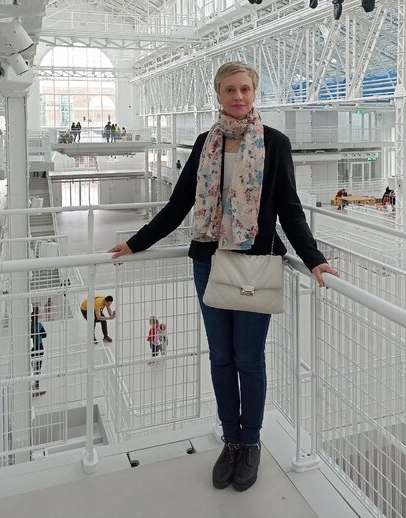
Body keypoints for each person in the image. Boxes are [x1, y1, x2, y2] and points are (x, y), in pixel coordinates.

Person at [109, 61, 338, 493]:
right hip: (209, 261)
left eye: (245, 89)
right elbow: (179, 203)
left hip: (254, 262)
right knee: (220, 357)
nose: (238, 97)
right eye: (230, 90)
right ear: (218, 94)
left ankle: (250, 443)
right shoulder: (206, 142)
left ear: (255, 93)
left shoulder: (275, 143)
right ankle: (230, 441)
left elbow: (289, 209)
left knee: (249, 359)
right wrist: (137, 242)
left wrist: (314, 259)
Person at [30, 307, 47, 396]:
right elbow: (44, 335)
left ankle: (35, 386)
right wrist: (39, 334)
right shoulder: (39, 325)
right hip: (39, 347)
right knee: (37, 368)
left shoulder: (30, 326)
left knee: (34, 367)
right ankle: (36, 386)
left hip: (34, 348)